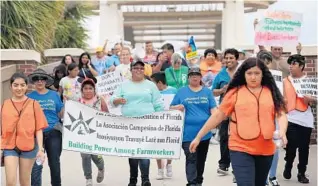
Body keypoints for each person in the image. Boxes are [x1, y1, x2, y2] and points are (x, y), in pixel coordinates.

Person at [189, 58, 289, 186]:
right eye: (249, 73)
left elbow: (281, 115)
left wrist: (283, 132)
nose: (253, 77)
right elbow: (218, 116)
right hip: (240, 148)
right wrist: (199, 136)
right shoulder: (234, 93)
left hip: (266, 149)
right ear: (243, 74)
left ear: (263, 74)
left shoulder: (271, 92)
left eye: (257, 73)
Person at [111, 60, 164, 186]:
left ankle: (145, 179)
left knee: (144, 151)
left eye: (141, 68)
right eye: (136, 68)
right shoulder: (124, 85)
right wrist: (118, 100)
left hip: (147, 123)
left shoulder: (150, 85)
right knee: (133, 152)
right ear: (131, 70)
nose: (139, 70)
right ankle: (133, 179)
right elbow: (112, 100)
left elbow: (158, 103)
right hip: (130, 124)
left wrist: (161, 119)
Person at [170, 68, 217, 186]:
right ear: (188, 78)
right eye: (192, 75)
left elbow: (214, 110)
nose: (194, 77)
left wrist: (218, 117)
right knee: (191, 158)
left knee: (201, 160)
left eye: (197, 75)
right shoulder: (181, 92)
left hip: (204, 134)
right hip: (187, 133)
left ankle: (198, 181)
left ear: (201, 77)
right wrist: (177, 107)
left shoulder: (207, 92)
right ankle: (191, 183)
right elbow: (170, 107)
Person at [1, 72, 47, 186]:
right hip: (9, 146)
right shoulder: (5, 105)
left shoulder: (34, 104)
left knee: (24, 182)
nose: (19, 88)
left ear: (27, 86)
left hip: (29, 147)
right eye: (15, 85)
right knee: (10, 182)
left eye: (22, 85)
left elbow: (39, 128)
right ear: (11, 86)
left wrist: (40, 149)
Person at [283, 54, 316, 184]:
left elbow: (314, 102)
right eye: (290, 64)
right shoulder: (285, 81)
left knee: (304, 148)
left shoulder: (309, 81)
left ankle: (301, 172)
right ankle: (288, 164)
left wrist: (311, 99)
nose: (291, 67)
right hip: (290, 117)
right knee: (291, 146)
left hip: (305, 118)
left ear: (301, 66)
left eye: (294, 64)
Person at [27, 69, 64, 186]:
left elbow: (61, 113)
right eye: (36, 79)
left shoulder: (54, 95)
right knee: (36, 165)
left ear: (46, 80)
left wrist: (68, 104)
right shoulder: (28, 97)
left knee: (54, 163)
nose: (39, 81)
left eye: (42, 78)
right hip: (35, 133)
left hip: (53, 131)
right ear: (33, 81)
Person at [212, 48, 240, 179]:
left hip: (241, 109)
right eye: (226, 58)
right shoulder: (221, 74)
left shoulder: (243, 72)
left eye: (231, 58)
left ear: (236, 59)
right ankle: (223, 164)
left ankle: (238, 166)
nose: (228, 60)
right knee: (224, 136)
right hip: (225, 109)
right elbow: (213, 91)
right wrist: (222, 90)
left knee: (238, 137)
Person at [257, 50, 281, 186]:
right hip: (257, 117)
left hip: (273, 115)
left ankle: (272, 176)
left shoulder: (276, 77)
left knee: (275, 147)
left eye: (267, 63)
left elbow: (280, 96)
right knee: (260, 146)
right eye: (262, 63)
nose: (265, 66)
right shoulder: (251, 76)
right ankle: (263, 178)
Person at [79, 78, 108, 186]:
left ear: (94, 89)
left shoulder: (100, 100)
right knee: (85, 155)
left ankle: (101, 168)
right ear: (82, 90)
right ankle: (88, 178)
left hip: (97, 133)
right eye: (85, 88)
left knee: (96, 156)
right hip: (82, 134)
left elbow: (107, 114)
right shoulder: (77, 101)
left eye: (90, 88)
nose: (88, 90)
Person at [150, 72, 177, 180]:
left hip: (171, 123)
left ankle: (169, 165)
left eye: (153, 83)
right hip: (157, 122)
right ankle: (160, 170)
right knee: (157, 146)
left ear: (160, 83)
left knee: (170, 145)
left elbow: (178, 104)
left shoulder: (174, 91)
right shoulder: (152, 92)